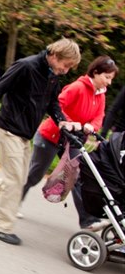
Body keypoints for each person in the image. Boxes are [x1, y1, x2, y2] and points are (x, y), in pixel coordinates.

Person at [0, 38, 81, 245]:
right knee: (15, 180)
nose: (66, 70)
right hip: (8, 129)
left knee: (18, 177)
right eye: (66, 65)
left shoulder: (52, 76)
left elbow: (52, 102)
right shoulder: (25, 67)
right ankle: (2, 226)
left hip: (25, 134)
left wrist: (62, 121)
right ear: (54, 56)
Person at [21, 56, 119, 229]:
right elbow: (57, 106)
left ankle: (87, 220)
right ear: (95, 72)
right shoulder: (77, 87)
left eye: (111, 79)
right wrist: (71, 123)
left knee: (78, 176)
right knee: (35, 175)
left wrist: (91, 126)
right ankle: (14, 201)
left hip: (73, 140)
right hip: (51, 136)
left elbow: (99, 116)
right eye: (107, 77)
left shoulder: (101, 94)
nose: (109, 83)